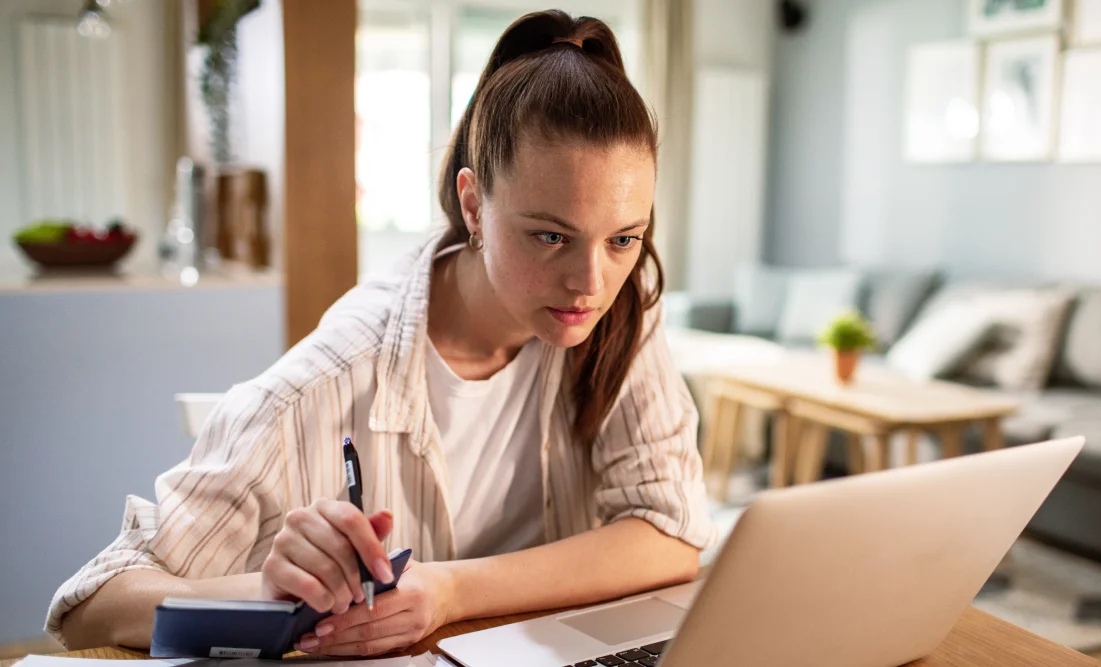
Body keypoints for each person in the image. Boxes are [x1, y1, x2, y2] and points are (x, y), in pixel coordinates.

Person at [50, 9, 715, 656]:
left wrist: (449, 589)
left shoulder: (619, 313)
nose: (591, 282)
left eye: (624, 238)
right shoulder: (328, 379)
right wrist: (265, 590)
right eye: (551, 235)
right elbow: (90, 606)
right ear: (474, 204)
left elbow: (672, 532)